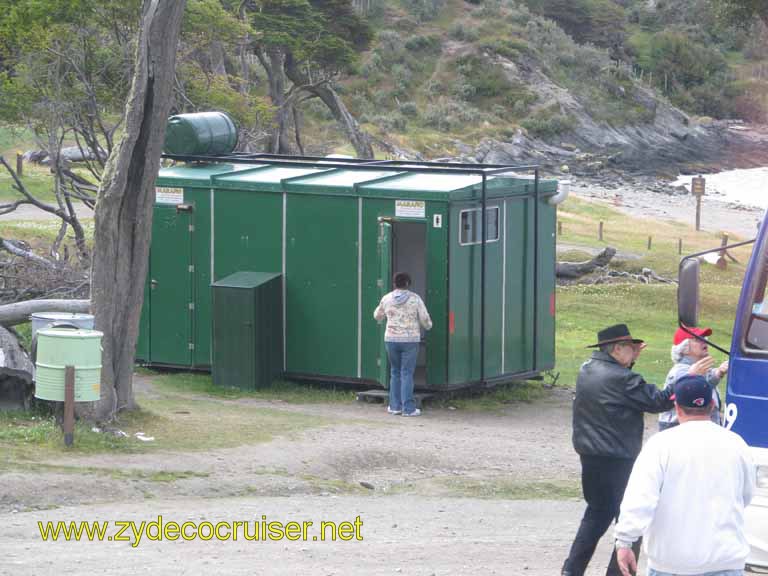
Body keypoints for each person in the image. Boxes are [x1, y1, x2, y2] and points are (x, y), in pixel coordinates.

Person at [562, 324, 713, 576]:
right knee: (631, 519)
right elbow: (659, 401)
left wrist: (630, 362)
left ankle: (571, 570)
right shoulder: (623, 379)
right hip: (619, 458)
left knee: (596, 515)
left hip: (590, 454)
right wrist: (689, 377)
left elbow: (620, 388)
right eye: (631, 348)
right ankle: (619, 573)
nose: (634, 352)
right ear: (617, 349)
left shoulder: (587, 369)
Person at [615, 374, 756, 576]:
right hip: (725, 561)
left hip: (671, 564)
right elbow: (746, 495)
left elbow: (640, 499)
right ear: (713, 405)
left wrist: (625, 540)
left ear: (677, 408)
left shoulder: (660, 445)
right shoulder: (737, 444)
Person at [373, 272, 432, 417]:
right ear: (408, 283)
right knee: (407, 373)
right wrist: (428, 326)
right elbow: (424, 318)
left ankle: (394, 407)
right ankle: (409, 409)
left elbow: (377, 315)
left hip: (391, 340)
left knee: (395, 372)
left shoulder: (386, 298)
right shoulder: (415, 299)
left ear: (394, 283)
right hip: (410, 341)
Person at [658, 326, 728, 430]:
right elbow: (697, 388)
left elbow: (706, 377)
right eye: (697, 339)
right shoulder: (679, 371)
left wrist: (719, 371)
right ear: (684, 348)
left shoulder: (699, 368)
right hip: (677, 429)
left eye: (704, 338)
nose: (704, 341)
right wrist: (717, 374)